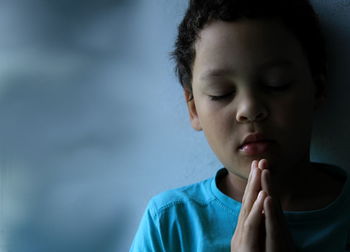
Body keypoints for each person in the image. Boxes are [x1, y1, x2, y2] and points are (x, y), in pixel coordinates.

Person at [130, 0, 350, 251]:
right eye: (221, 92)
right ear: (193, 108)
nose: (249, 109)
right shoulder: (170, 224)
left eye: (275, 84)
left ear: (317, 88)